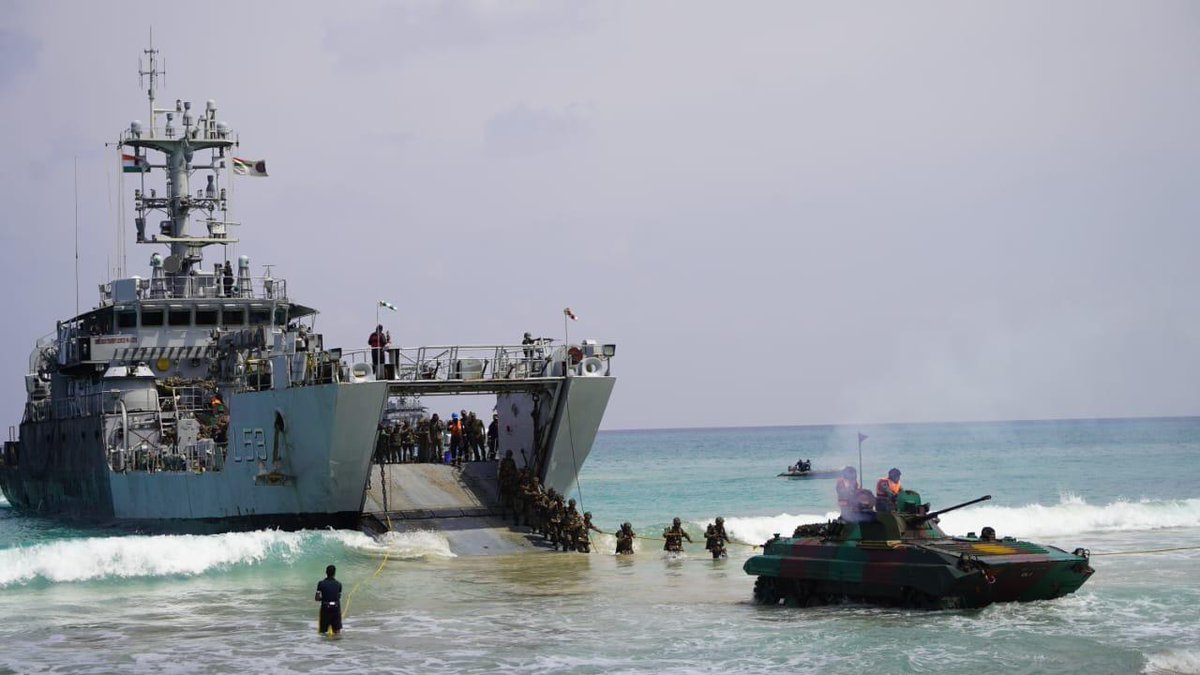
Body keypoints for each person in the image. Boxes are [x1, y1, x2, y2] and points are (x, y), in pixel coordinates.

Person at [314, 564, 343, 636]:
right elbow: (338, 596)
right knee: (337, 631)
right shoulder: (339, 584)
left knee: (323, 632)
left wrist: (324, 598)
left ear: (326, 572)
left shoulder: (321, 583)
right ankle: (337, 646)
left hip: (325, 607)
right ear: (334, 573)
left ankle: (323, 646)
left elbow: (317, 598)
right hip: (336, 608)